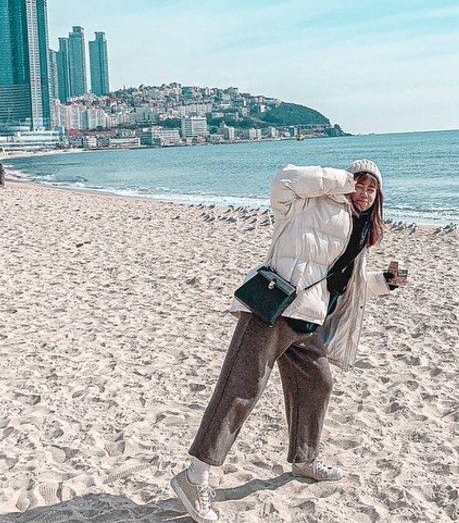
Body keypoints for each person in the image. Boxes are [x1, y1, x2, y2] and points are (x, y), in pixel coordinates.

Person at [170, 161, 408, 523]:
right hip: (272, 307)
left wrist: (388, 282)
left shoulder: (360, 231)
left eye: (371, 189)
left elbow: (348, 287)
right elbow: (285, 178)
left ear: (379, 197)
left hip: (308, 319)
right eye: (358, 184)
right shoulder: (310, 203)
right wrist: (343, 180)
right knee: (241, 388)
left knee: (317, 382)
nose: (363, 193)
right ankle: (194, 476)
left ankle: (304, 459)